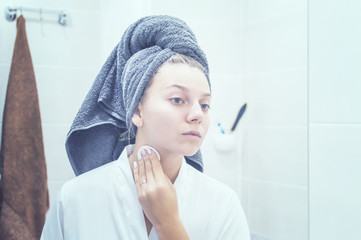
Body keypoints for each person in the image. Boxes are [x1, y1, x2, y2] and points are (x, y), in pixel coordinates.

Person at [41, 15, 250, 240]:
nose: (198, 114)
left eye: (205, 104)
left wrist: (168, 224)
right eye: (178, 99)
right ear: (137, 112)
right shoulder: (75, 199)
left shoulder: (223, 204)